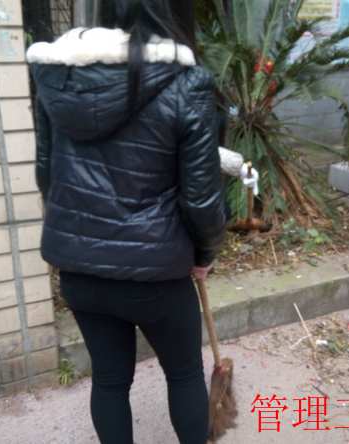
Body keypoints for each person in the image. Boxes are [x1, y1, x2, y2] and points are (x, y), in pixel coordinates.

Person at [26, 1, 228, 442]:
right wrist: (205, 253)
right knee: (184, 375)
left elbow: (46, 174)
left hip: (81, 274)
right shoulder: (187, 82)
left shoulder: (58, 78)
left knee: (110, 380)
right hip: (156, 278)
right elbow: (201, 198)